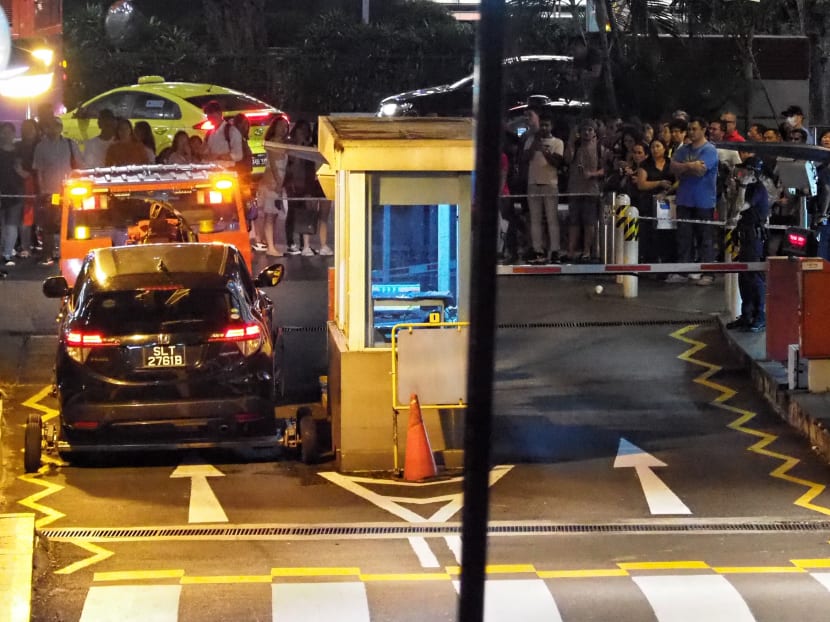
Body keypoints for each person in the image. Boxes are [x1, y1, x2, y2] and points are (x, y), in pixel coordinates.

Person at [667, 117, 719, 285]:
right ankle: (683, 271)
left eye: (694, 129)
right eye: (689, 129)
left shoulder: (709, 150)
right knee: (684, 237)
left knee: (705, 237)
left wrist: (685, 167)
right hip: (684, 199)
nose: (691, 132)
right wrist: (691, 166)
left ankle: (708, 273)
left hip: (703, 200)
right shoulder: (684, 149)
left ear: (703, 130)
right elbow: (673, 167)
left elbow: (701, 171)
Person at [725, 158, 770, 332]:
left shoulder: (757, 189)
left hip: (754, 237)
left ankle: (759, 315)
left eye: (744, 171)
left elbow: (738, 208)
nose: (740, 174)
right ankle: (746, 315)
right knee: (744, 277)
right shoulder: (748, 188)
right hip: (744, 235)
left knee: (754, 277)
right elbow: (731, 209)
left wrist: (741, 188)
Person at [32, 117, 79, 265]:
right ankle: (48, 254)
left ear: (60, 128)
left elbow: (79, 164)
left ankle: (71, 253)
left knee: (71, 222)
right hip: (52, 192)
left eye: (56, 126)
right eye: (50, 127)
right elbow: (39, 170)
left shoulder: (70, 144)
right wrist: (42, 190)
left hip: (70, 191)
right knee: (50, 224)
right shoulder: (41, 147)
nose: (53, 130)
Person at [522, 112, 564, 263]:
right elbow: (525, 158)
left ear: (552, 126)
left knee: (552, 219)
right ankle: (537, 250)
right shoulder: (531, 140)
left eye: (547, 125)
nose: (544, 128)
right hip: (533, 184)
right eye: (543, 125)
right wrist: (535, 145)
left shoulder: (558, 142)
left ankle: (554, 250)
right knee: (535, 219)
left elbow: (557, 162)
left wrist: (545, 152)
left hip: (550, 184)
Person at [564, 118, 606, 262]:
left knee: (589, 223)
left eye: (590, 130)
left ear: (594, 132)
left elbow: (606, 169)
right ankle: (571, 251)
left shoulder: (600, 149)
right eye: (584, 130)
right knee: (573, 222)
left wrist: (593, 174)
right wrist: (570, 141)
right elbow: (567, 159)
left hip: (591, 190)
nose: (586, 133)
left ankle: (587, 251)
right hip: (575, 189)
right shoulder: (576, 146)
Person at [283, 119, 324, 256]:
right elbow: (290, 165)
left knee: (304, 213)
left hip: (305, 183)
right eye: (301, 129)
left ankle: (303, 244)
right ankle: (290, 242)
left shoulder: (309, 145)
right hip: (293, 183)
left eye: (306, 130)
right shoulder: (291, 145)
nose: (303, 132)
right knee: (293, 212)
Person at [254, 115, 290, 256]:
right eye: (280, 126)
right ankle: (270, 247)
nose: (283, 129)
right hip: (272, 182)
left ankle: (270, 244)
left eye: (285, 126)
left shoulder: (283, 143)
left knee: (273, 215)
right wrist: (279, 184)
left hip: (277, 181)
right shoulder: (273, 143)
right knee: (270, 214)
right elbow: (274, 165)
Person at [636, 138, 675, 263]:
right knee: (649, 234)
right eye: (652, 147)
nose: (655, 149)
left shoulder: (671, 163)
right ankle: (650, 261)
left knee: (667, 235)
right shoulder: (645, 165)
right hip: (649, 204)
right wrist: (659, 183)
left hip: (668, 203)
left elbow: (678, 179)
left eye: (658, 146)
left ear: (664, 148)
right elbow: (641, 184)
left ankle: (667, 261)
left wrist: (667, 191)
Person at [0, 123, 25, 265]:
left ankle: (7, 254)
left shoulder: (18, 152)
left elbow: (25, 173)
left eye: (9, 132)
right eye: (3, 132)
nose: (6, 135)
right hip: (1, 190)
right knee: (2, 225)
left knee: (11, 224)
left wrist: (20, 170)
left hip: (16, 191)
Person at [15, 118, 39, 257]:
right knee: (25, 214)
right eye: (25, 128)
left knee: (40, 214)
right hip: (22, 184)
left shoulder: (40, 145)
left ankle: (35, 240)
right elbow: (15, 164)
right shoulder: (18, 146)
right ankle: (24, 244)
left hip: (40, 182)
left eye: (31, 128)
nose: (27, 131)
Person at [203, 100, 244, 167]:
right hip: (212, 172)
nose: (209, 117)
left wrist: (219, 156)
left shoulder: (231, 131)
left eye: (211, 113)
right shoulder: (209, 133)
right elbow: (204, 153)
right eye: (208, 114)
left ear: (219, 113)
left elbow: (238, 155)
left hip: (228, 173)